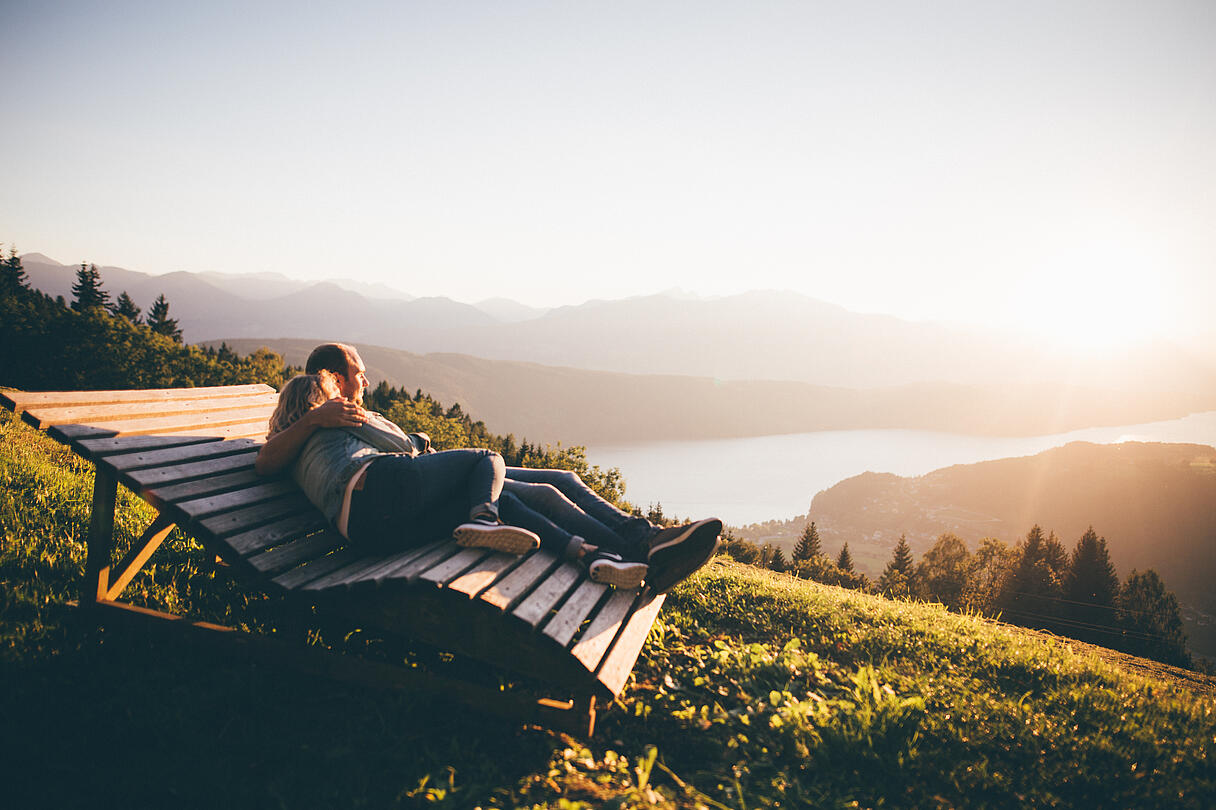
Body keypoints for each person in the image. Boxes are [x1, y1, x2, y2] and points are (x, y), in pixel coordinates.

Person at [257, 343, 722, 592]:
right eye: (359, 374)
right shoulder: (335, 418)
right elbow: (399, 448)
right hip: (385, 493)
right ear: (334, 383)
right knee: (489, 461)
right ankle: (638, 542)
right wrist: (414, 441)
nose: (366, 381)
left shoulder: (310, 437)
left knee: (554, 482)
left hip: (373, 532)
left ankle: (615, 551)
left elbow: (276, 454)